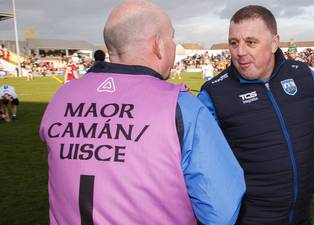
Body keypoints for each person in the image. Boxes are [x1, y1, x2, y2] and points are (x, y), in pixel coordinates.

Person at [39, 1, 245, 225]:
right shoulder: (180, 106)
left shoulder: (61, 97)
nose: (173, 46)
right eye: (171, 38)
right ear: (158, 44)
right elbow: (221, 211)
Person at [198, 5, 314, 225]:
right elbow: (192, 157)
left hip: (301, 212)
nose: (240, 51)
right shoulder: (214, 93)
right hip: (252, 217)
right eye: (233, 42)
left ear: (275, 42)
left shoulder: (302, 75)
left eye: (251, 42)